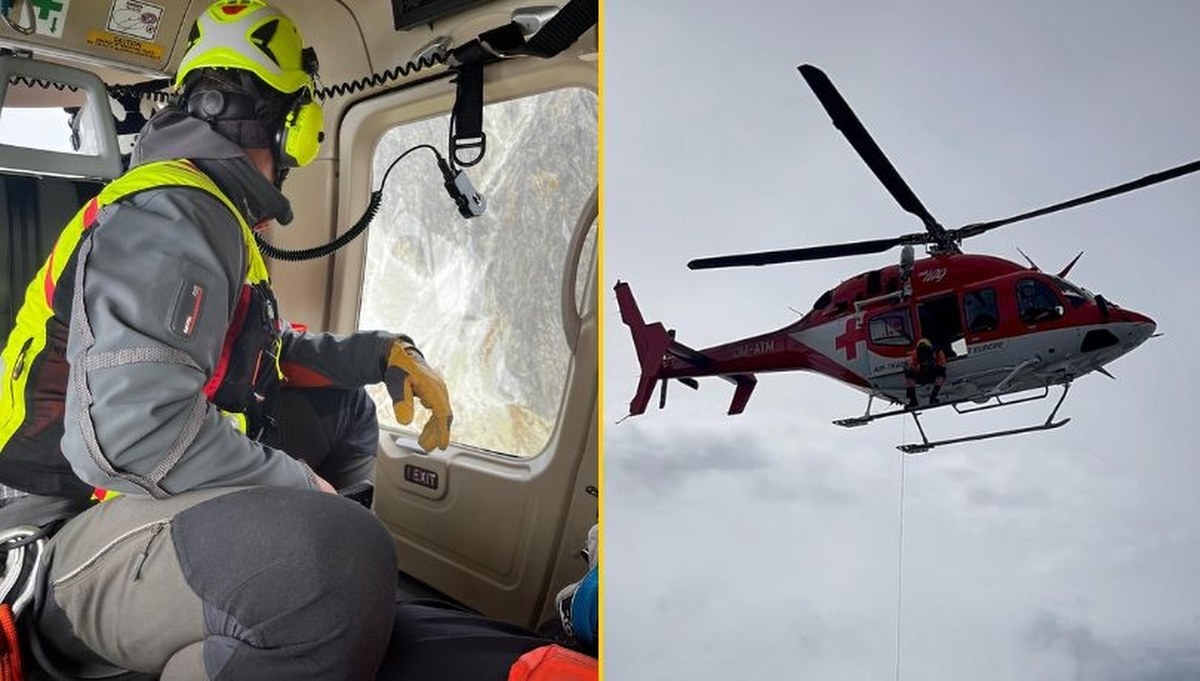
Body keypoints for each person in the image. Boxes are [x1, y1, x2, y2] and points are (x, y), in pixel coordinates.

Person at [0, 1, 453, 677]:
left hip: (129, 494)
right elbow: (132, 435)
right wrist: (303, 490)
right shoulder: (172, 210)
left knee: (347, 414)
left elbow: (263, 358)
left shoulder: (208, 213)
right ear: (294, 123)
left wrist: (379, 354)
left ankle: (298, 613)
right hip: (59, 528)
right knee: (334, 561)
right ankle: (308, 598)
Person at [904, 337, 946, 408]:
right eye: (921, 350)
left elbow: (942, 365)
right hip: (922, 374)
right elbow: (912, 366)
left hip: (933, 374)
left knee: (941, 374)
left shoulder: (937, 351)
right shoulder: (916, 353)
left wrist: (935, 367)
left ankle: (933, 397)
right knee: (909, 374)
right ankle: (913, 400)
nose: (923, 352)